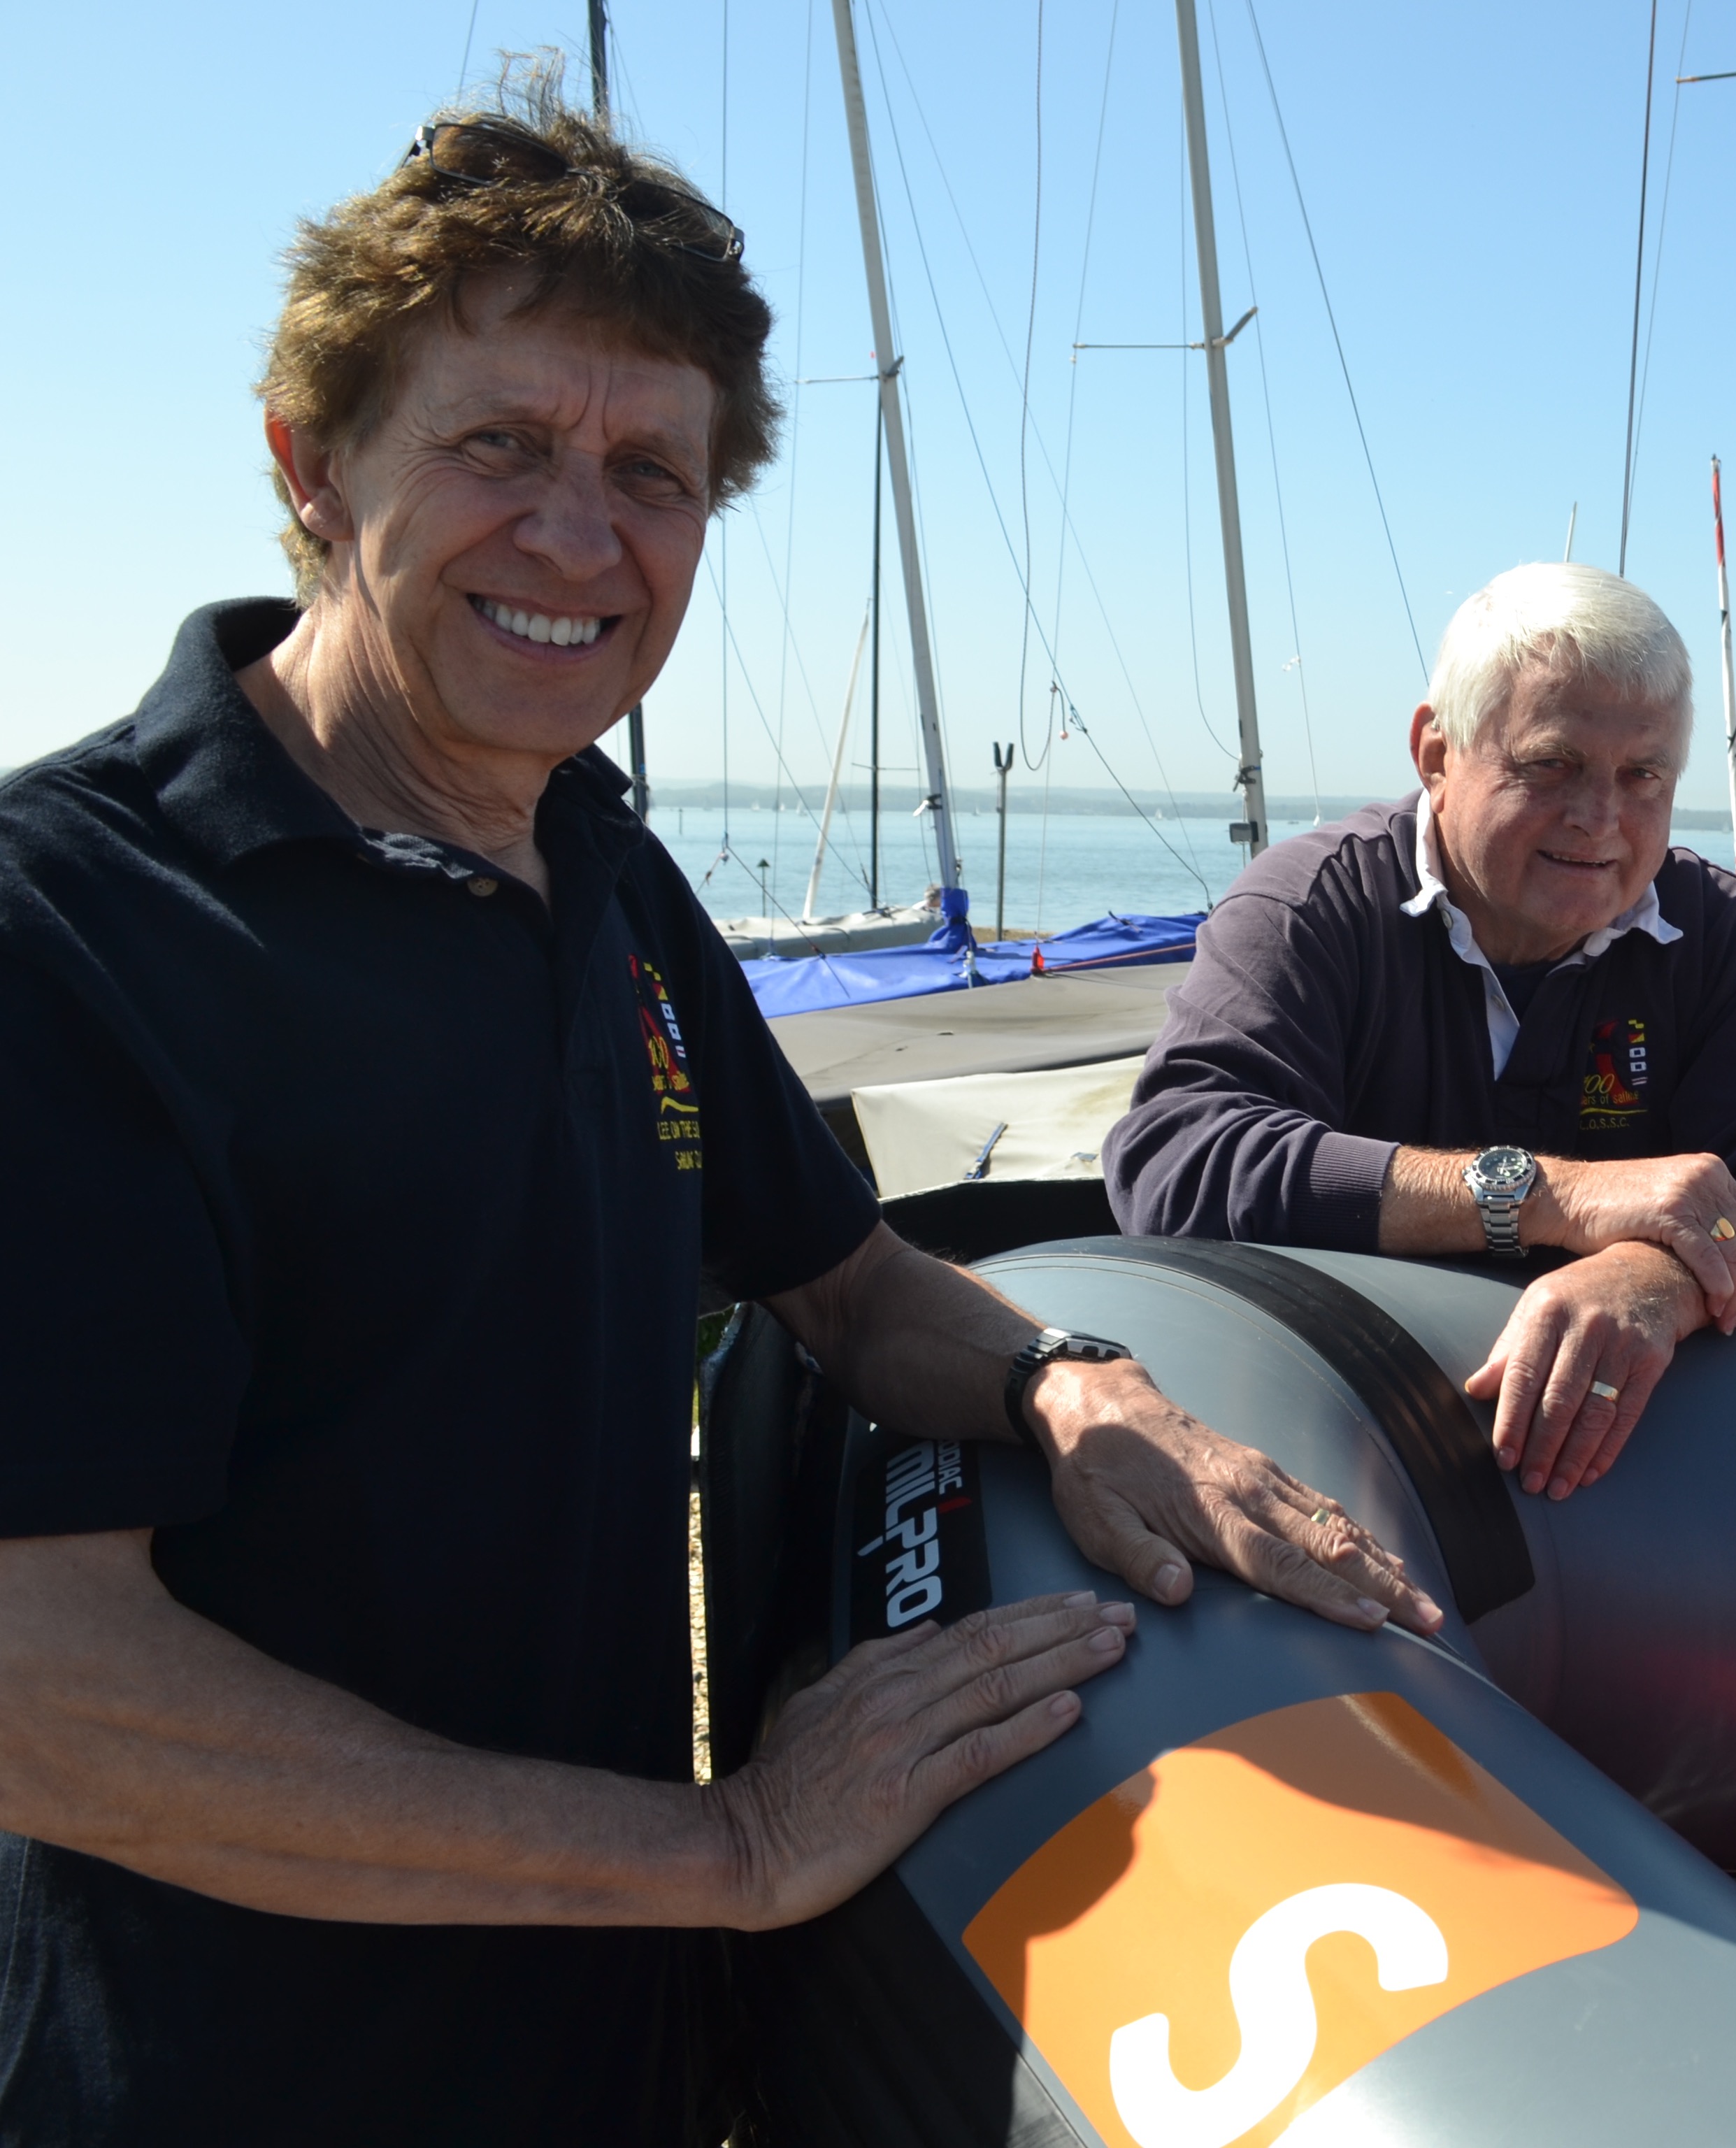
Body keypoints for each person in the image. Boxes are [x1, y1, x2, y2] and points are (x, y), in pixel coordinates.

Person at [0, 77, 1428, 2145]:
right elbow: (46, 1691)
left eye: (651, 474)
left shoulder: (603, 867)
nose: (581, 537)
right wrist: (730, 1848)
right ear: (313, 465)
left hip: (606, 2055)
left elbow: (843, 1282)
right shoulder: (71, 929)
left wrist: (1077, 1389)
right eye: (501, 444)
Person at [1107, 563, 1736, 1500]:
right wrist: (1552, 1199)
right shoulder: (1308, 909)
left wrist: (1656, 1275)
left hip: (1632, 1488)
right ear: (1436, 752)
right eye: (1553, 764)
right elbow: (1176, 1166)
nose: (1600, 820)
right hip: (1334, 1451)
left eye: (1642, 775)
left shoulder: (1724, 940)